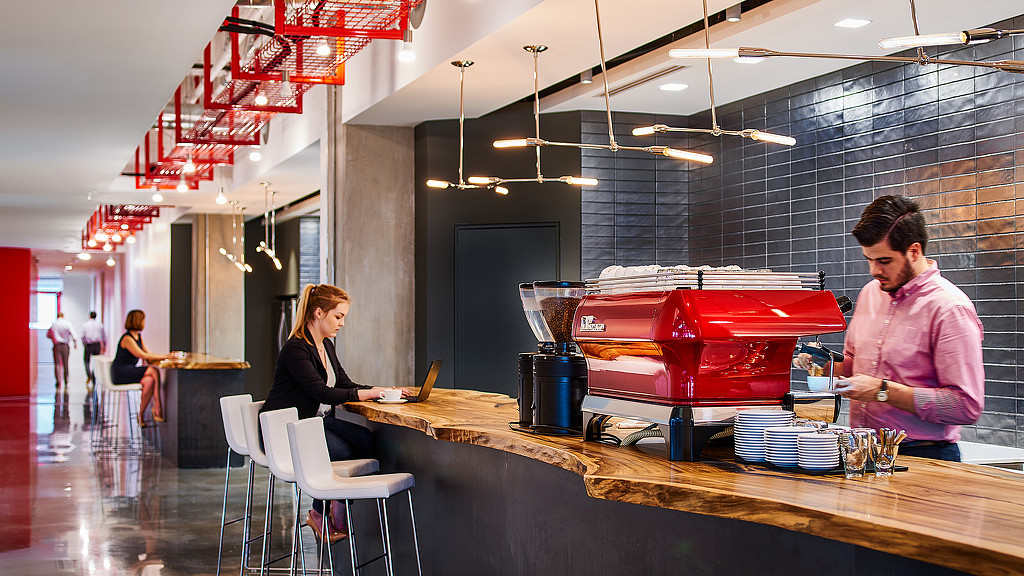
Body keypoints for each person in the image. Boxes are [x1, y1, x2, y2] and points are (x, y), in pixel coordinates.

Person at [795, 195, 984, 462]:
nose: (874, 270)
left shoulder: (949, 308)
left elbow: (966, 406)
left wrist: (882, 391)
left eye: (884, 260)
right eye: (869, 259)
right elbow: (854, 366)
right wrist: (821, 364)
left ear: (914, 251)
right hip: (864, 451)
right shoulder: (871, 293)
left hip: (923, 455)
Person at [260, 283, 410, 542]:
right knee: (341, 452)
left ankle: (338, 506)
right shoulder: (296, 348)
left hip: (313, 422)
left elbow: (344, 384)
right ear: (319, 313)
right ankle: (320, 512)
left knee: (364, 439)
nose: (342, 323)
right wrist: (372, 393)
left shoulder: (326, 346)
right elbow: (323, 393)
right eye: (338, 316)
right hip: (286, 430)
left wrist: (382, 390)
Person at [111, 310, 171, 427]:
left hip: (129, 370)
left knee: (149, 381)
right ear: (138, 321)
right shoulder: (127, 338)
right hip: (120, 371)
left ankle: (141, 414)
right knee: (153, 371)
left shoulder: (138, 336)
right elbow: (142, 355)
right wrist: (167, 356)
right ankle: (157, 404)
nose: (144, 322)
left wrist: (165, 358)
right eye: (143, 320)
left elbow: (148, 354)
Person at [46, 312, 77, 388]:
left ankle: (58, 381)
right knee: (66, 363)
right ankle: (66, 380)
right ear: (63, 316)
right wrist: (75, 343)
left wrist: (53, 338)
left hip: (56, 346)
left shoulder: (54, 324)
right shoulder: (67, 324)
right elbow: (74, 335)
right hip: (65, 346)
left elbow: (48, 335)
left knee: (57, 364)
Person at [81, 311, 107, 385]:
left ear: (90, 316)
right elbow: (104, 336)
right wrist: (104, 346)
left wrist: (84, 344)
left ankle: (89, 375)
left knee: (86, 360)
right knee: (95, 361)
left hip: (89, 345)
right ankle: (93, 376)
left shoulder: (85, 325)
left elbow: (82, 336)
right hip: (97, 345)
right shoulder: (100, 325)